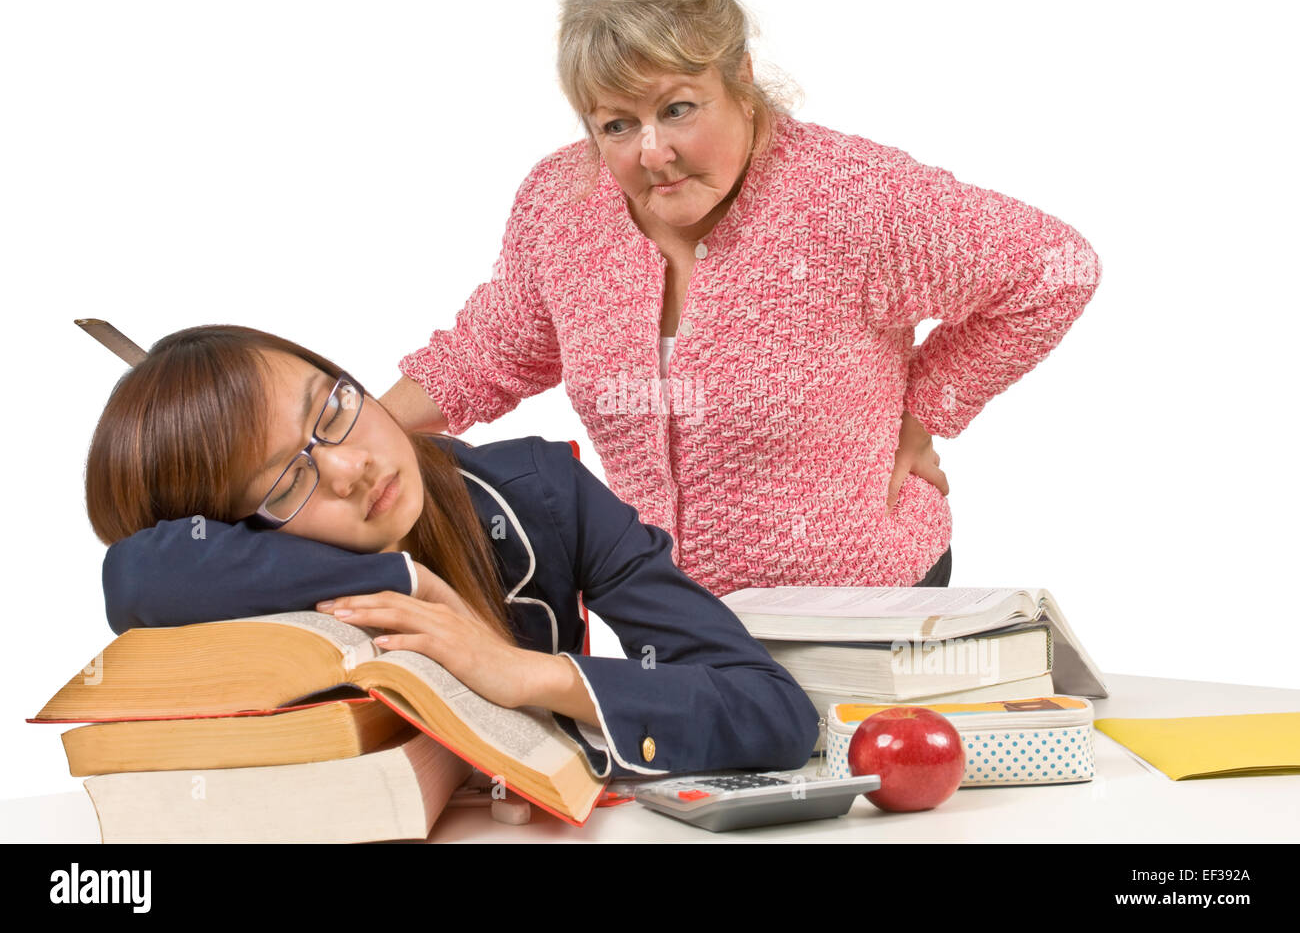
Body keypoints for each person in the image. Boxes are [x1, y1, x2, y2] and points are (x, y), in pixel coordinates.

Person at [379, 0, 1099, 597]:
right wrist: (341, 440)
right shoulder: (563, 204)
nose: (652, 152)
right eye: (616, 125)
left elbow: (1055, 268)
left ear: (741, 78)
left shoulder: (851, 199)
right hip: (674, 626)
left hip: (863, 609)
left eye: (677, 109)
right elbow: (488, 352)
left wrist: (926, 411)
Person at [86, 324, 819, 780]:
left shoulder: (544, 494)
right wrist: (401, 574)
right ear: (234, 531)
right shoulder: (260, 571)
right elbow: (134, 574)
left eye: (331, 408)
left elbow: (773, 711)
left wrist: (523, 672)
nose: (350, 469)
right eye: (284, 480)